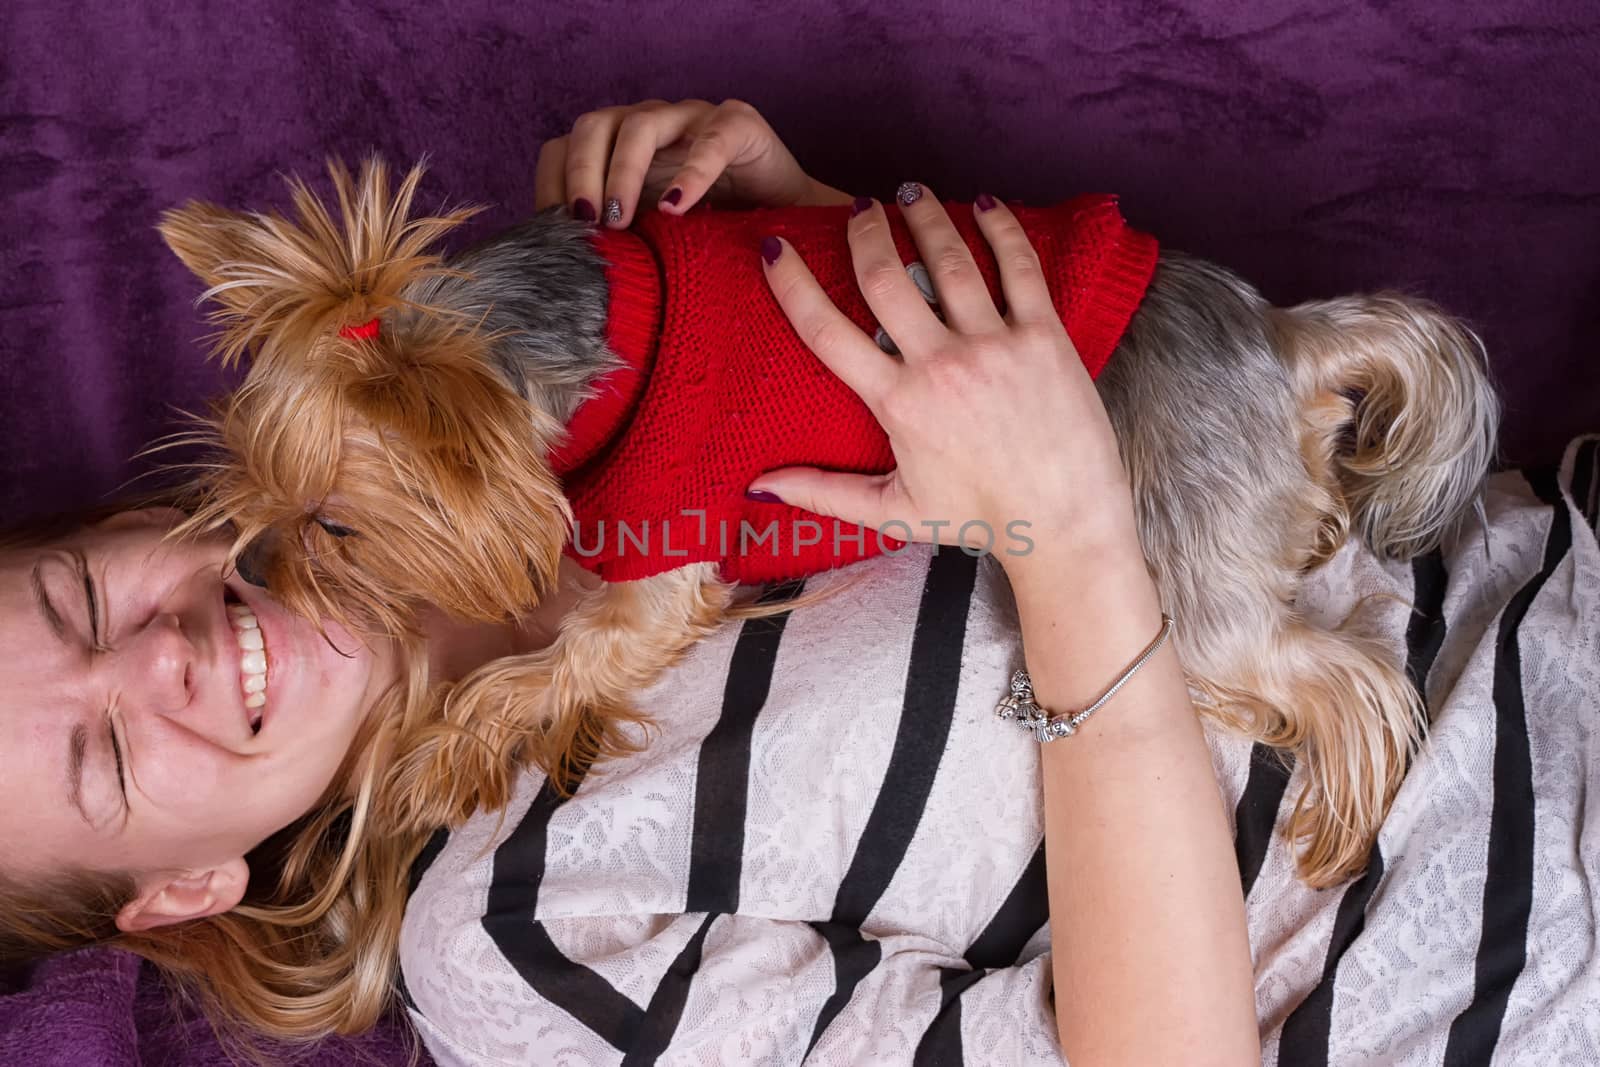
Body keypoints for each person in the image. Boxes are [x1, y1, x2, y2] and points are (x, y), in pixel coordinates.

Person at [0, 100, 1258, 1065]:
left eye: (81, 602)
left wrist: (828, 263)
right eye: (104, 755)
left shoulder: (458, 380)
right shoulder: (512, 940)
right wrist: (1071, 536)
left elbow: (1218, 398)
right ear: (181, 892)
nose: (155, 655)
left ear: (129, 519)